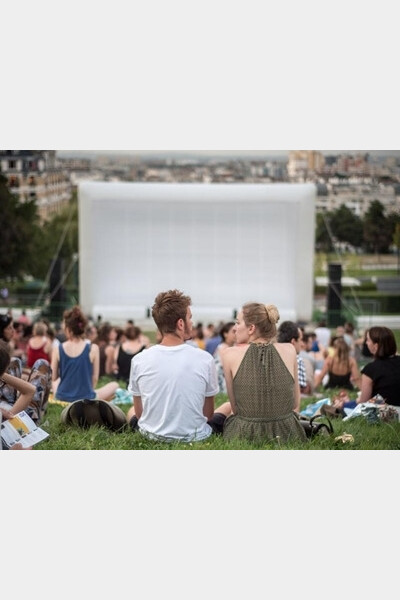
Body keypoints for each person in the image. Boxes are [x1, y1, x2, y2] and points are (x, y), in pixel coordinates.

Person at [126, 289, 231, 442]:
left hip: (152, 435)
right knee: (227, 406)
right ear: (180, 324)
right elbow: (208, 416)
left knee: (130, 411)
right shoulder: (204, 359)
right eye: (190, 318)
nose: (192, 323)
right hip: (196, 436)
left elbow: (140, 414)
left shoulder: (139, 359)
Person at [221, 303, 307, 443]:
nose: (234, 328)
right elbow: (295, 403)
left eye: (237, 323)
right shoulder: (290, 350)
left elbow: (235, 410)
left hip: (245, 434)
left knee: (224, 409)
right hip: (287, 432)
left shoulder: (228, 354)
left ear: (251, 328)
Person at [51, 305, 118, 403]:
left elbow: (54, 377)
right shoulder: (93, 348)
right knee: (114, 385)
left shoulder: (58, 349)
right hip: (86, 396)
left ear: (68, 329)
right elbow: (95, 378)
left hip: (63, 396)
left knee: (56, 383)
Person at [0, 313, 52, 424]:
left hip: (8, 408)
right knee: (42, 364)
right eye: (9, 328)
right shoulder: (47, 342)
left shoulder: (13, 347)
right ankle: (38, 414)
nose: (13, 331)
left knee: (15, 361)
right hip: (13, 420)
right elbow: (30, 391)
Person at [356, 326, 400, 407]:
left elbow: (363, 403)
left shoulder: (370, 370)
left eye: (368, 340)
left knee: (347, 405)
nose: (366, 343)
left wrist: (359, 400)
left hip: (385, 413)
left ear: (376, 346)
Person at [277, 321, 311, 396]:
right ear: (293, 342)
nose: (302, 344)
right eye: (300, 340)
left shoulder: (271, 356)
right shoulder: (297, 359)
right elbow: (301, 390)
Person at [213, 321, 236, 393]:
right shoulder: (223, 348)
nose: (236, 334)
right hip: (222, 383)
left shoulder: (230, 347)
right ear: (225, 334)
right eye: (233, 331)